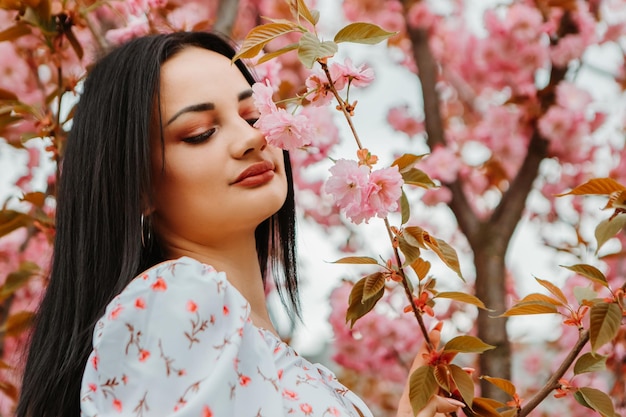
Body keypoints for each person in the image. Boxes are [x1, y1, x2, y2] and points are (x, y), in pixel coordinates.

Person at [16, 31, 465, 417]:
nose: (253, 137)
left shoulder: (267, 347)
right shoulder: (180, 298)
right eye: (200, 132)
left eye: (253, 116)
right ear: (139, 188)